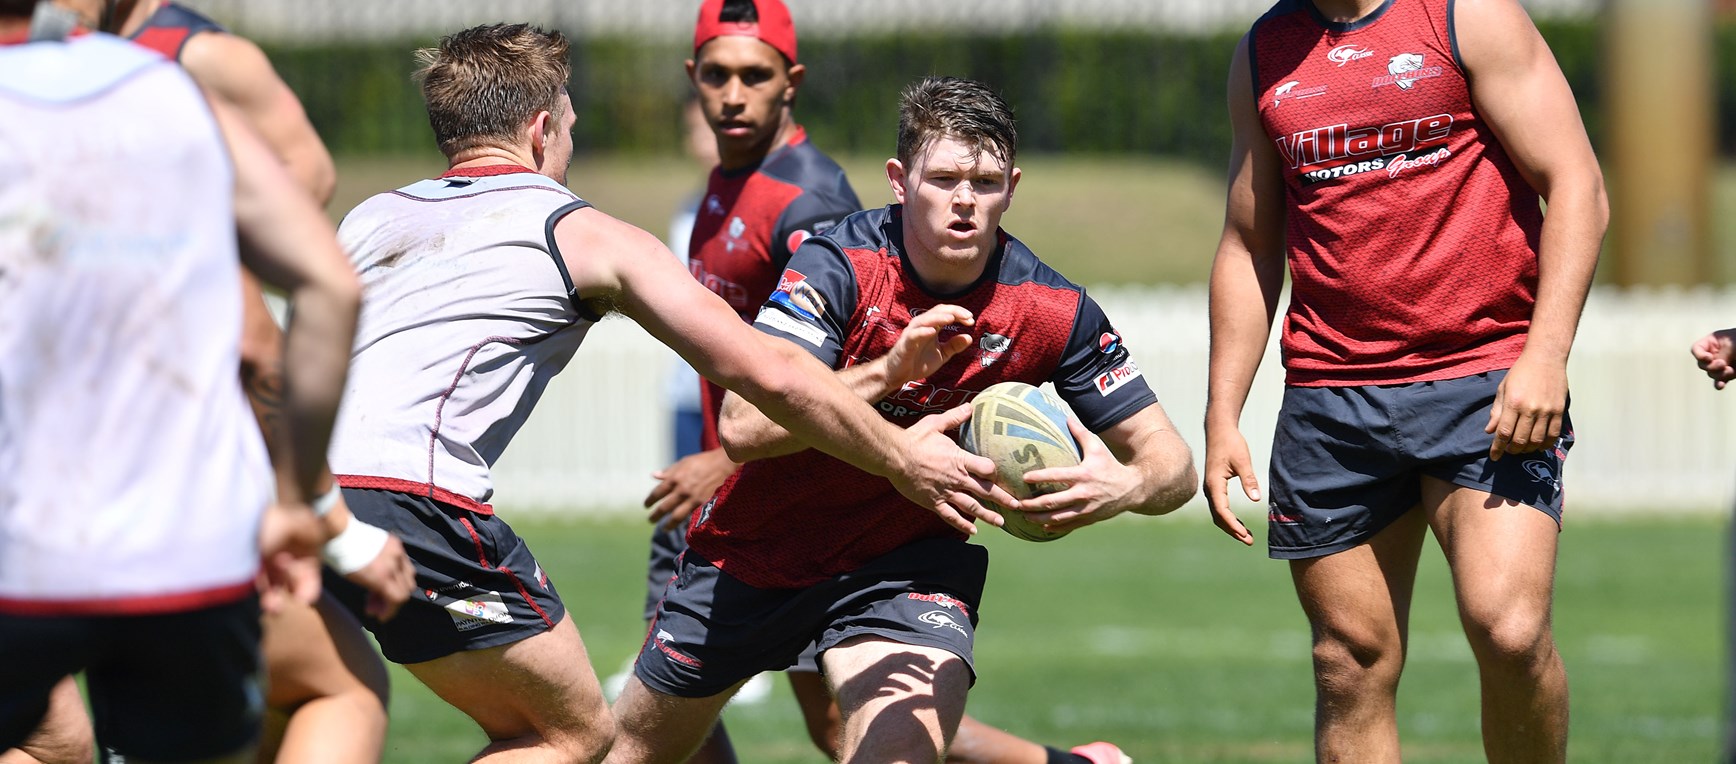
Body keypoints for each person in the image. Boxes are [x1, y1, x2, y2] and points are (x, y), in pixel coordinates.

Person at [320, 24, 1013, 764]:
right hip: (416, 502)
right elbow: (772, 374)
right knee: (572, 733)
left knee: (326, 701)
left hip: (293, 498)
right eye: (571, 126)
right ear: (541, 128)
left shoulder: (368, 218)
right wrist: (901, 458)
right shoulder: (581, 233)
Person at [608, 75, 1197, 764]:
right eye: (943, 178)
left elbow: (1172, 461)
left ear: (1012, 186)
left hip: (905, 570)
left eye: (984, 182)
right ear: (898, 179)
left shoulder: (1049, 309)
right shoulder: (840, 266)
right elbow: (743, 425)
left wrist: (1122, 488)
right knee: (628, 753)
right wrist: (889, 375)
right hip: (757, 549)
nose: (964, 202)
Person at [6, 3, 416, 763]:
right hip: (174, 551)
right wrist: (307, 506)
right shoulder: (164, 92)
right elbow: (314, 298)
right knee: (339, 686)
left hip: (17, 548)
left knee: (49, 745)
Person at [1203, 0, 1607, 760]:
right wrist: (1223, 411)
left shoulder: (1467, 16)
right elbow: (1249, 242)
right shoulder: (1264, 52)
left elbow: (1577, 184)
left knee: (1509, 631)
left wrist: (1546, 355)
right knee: (1348, 663)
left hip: (1484, 384)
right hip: (1331, 404)